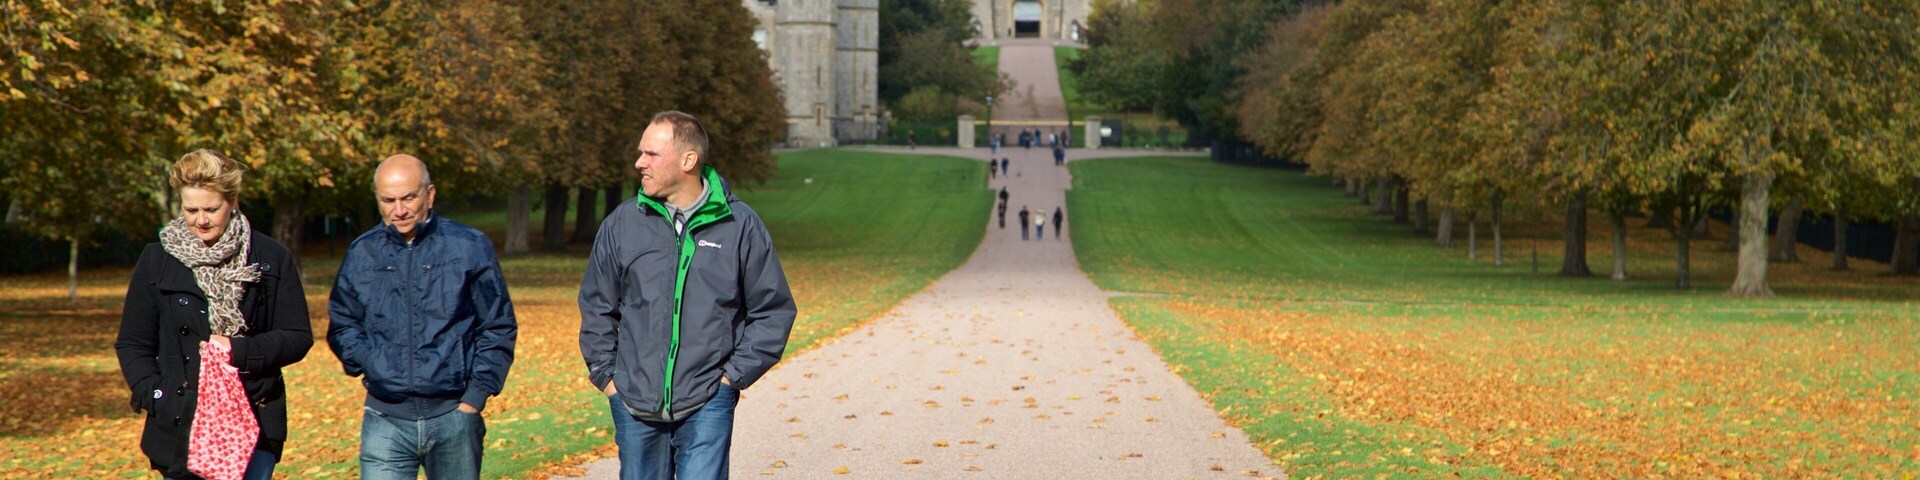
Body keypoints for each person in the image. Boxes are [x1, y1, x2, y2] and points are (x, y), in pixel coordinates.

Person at [580, 111, 798, 480]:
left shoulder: (739, 225)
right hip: (633, 402)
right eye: (641, 153)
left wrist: (730, 380)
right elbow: (597, 304)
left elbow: (773, 310)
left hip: (708, 400)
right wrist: (608, 377)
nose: (639, 163)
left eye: (651, 154)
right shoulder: (622, 223)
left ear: (688, 161)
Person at [117, 149, 313, 480]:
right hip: (179, 421)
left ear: (233, 201)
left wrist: (240, 351)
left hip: (252, 420)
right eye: (191, 209)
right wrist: (155, 395)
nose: (201, 219)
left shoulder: (269, 257)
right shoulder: (156, 259)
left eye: (211, 208)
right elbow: (133, 343)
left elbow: (297, 337)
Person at [327, 154, 519, 480]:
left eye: (408, 197)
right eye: (388, 200)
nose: (398, 210)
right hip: (385, 417)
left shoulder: (469, 246)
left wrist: (475, 397)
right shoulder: (362, 253)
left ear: (429, 195)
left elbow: (497, 325)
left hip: (454, 415)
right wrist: (370, 361)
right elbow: (343, 323)